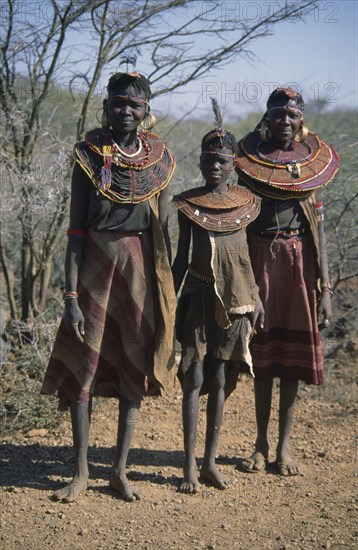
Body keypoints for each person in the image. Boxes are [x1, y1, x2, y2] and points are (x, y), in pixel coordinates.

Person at [41, 71, 176, 502]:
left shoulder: (159, 159)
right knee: (85, 365)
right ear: (107, 107)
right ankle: (80, 472)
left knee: (132, 366)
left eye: (134, 105)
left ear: (145, 112)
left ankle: (118, 470)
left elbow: (164, 232)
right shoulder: (88, 155)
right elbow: (75, 231)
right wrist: (70, 298)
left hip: (139, 270)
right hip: (95, 264)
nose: (125, 111)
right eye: (118, 103)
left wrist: (167, 292)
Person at [235, 87, 340, 476]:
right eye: (278, 114)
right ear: (267, 119)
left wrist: (325, 289)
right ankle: (260, 445)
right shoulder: (249, 165)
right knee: (263, 359)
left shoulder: (309, 168)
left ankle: (285, 446)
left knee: (291, 363)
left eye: (292, 116)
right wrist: (245, 285)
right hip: (259, 260)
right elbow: (238, 225)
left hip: (299, 265)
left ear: (301, 122)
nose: (285, 121)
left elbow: (319, 233)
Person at [172, 100, 263, 494]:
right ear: (200, 164)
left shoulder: (248, 204)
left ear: (233, 165)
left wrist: (256, 297)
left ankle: (210, 461)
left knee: (222, 377)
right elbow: (180, 259)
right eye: (209, 160)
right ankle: (189, 465)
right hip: (196, 297)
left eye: (222, 161)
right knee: (193, 377)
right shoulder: (188, 204)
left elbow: (248, 258)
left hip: (238, 300)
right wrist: (167, 301)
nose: (215, 167)